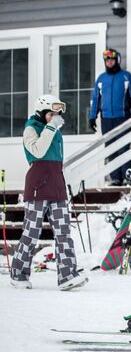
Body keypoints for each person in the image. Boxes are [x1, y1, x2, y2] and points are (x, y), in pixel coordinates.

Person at [10, 95, 88, 291]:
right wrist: (52, 127)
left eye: (57, 114)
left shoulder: (53, 130)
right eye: (52, 113)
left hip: (57, 186)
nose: (55, 117)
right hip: (37, 186)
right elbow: (37, 151)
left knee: (64, 233)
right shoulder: (31, 129)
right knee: (31, 232)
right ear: (42, 111)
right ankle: (18, 274)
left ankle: (67, 275)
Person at [89, 48, 131, 186]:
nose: (109, 62)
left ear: (117, 60)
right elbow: (95, 99)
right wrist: (92, 117)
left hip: (123, 117)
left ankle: (128, 177)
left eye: (112, 60)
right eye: (107, 60)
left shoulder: (126, 77)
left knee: (123, 148)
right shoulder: (101, 79)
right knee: (111, 148)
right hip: (106, 119)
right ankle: (116, 178)